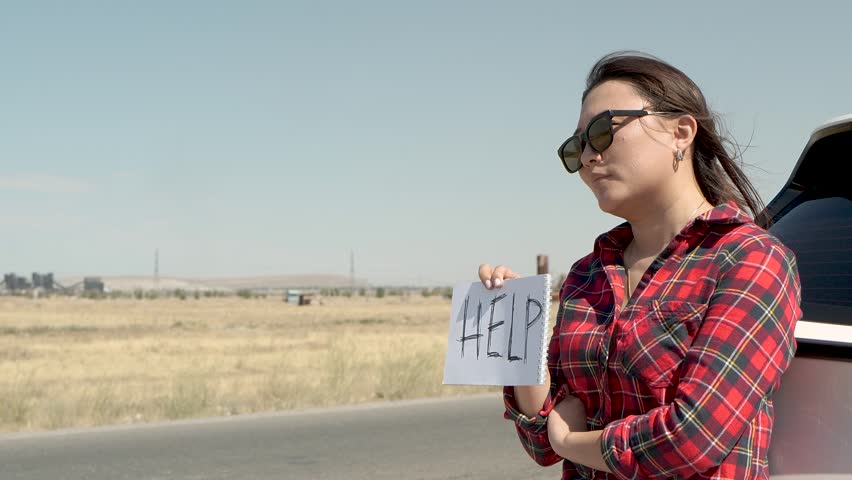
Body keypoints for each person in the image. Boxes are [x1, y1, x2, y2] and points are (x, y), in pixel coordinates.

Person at [478, 52, 802, 480]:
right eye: (577, 147)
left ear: (681, 132)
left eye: (602, 131)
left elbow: (692, 438)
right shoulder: (587, 274)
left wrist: (571, 443)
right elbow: (539, 440)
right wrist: (522, 332)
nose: (589, 157)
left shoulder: (749, 259)